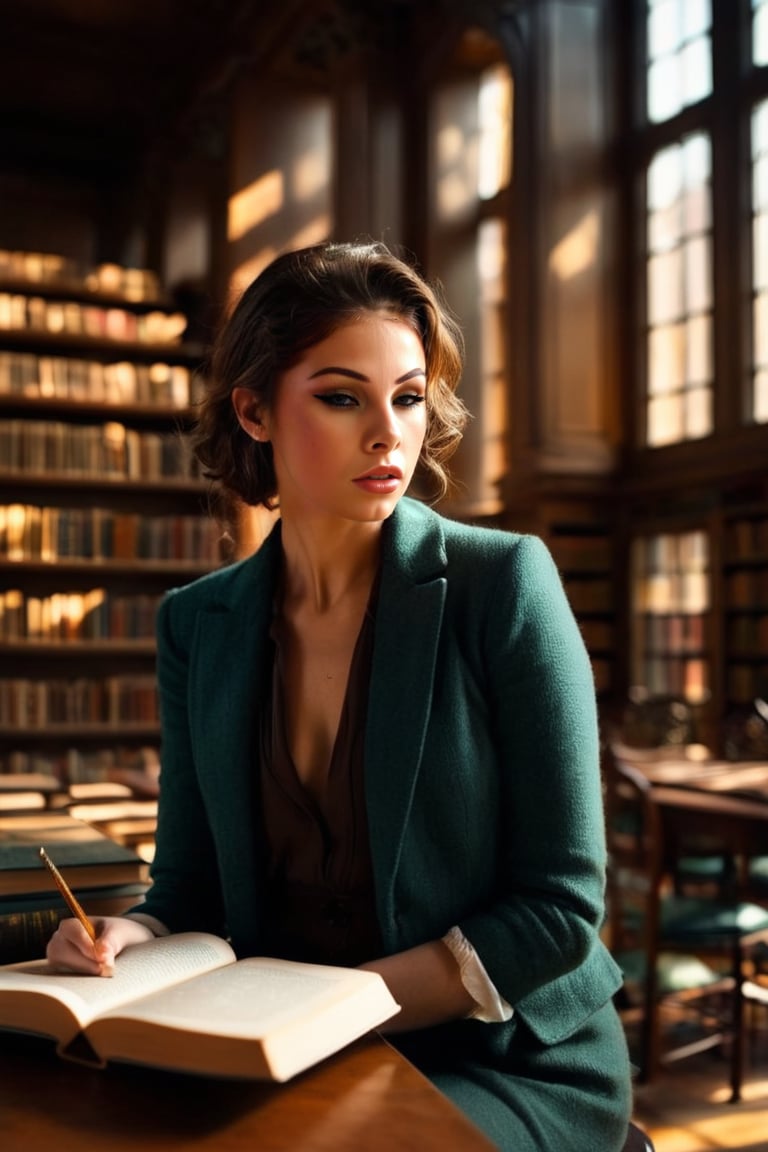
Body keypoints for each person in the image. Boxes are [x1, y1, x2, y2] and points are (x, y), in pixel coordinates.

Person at [47, 239, 633, 1150]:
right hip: (282, 1047)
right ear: (253, 410)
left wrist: (331, 1010)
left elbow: (559, 908)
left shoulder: (503, 582)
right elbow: (192, 881)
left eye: (406, 397)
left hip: (505, 1058)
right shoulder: (196, 624)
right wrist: (133, 935)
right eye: (341, 396)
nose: (387, 433)